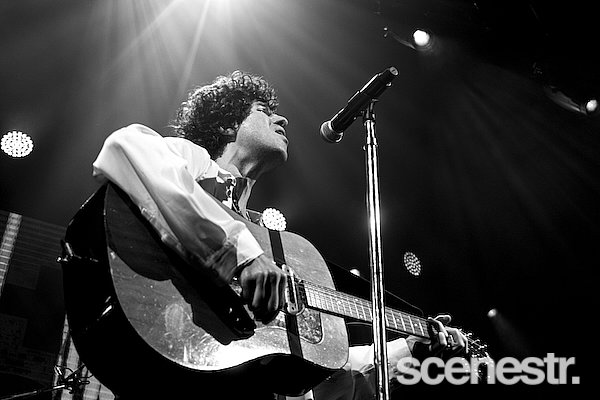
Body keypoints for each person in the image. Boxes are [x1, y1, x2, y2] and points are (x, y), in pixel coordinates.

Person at [91, 70, 468, 399]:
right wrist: (241, 257)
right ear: (226, 126)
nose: (282, 118)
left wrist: (410, 347)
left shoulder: (268, 240)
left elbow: (327, 370)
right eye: (263, 110)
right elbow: (126, 145)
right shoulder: (192, 162)